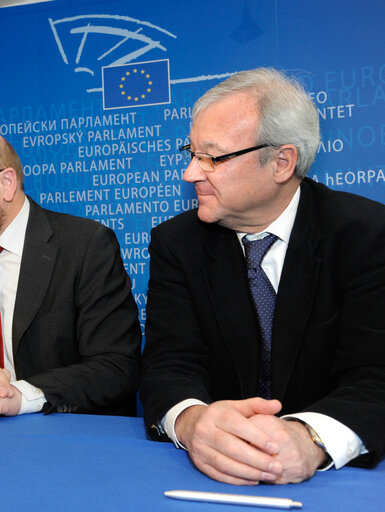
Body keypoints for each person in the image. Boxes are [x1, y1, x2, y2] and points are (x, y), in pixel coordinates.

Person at [140, 68, 385, 485]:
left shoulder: (366, 235)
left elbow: (376, 375)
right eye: (191, 153)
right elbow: (169, 362)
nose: (191, 174)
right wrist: (193, 421)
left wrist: (308, 438)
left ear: (282, 162)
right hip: (212, 477)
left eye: (212, 158)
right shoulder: (177, 242)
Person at [0, 126, 141, 421]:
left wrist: (21, 397)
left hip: (64, 438)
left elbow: (116, 366)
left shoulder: (85, 247)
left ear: (6, 183)